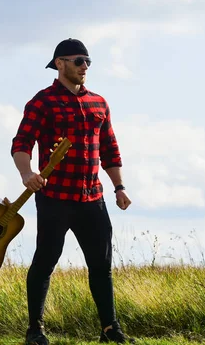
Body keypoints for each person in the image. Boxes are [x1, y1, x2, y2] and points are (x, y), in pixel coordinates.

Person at [10, 38, 135, 344]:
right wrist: (27, 173)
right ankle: (35, 331)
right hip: (55, 198)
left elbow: (109, 149)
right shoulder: (42, 102)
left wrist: (119, 187)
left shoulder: (99, 103)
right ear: (60, 64)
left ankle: (110, 330)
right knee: (45, 260)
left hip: (92, 198)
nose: (85, 67)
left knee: (101, 266)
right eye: (79, 61)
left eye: (88, 62)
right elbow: (21, 143)